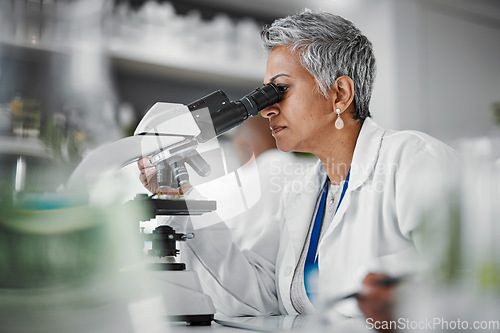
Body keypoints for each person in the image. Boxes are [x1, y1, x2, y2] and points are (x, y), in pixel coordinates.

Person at [138, 9, 458, 321]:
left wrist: (411, 305)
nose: (266, 110)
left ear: (340, 94)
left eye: (280, 90)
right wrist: (180, 194)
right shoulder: (302, 190)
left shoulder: (414, 162)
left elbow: (474, 286)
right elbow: (255, 294)